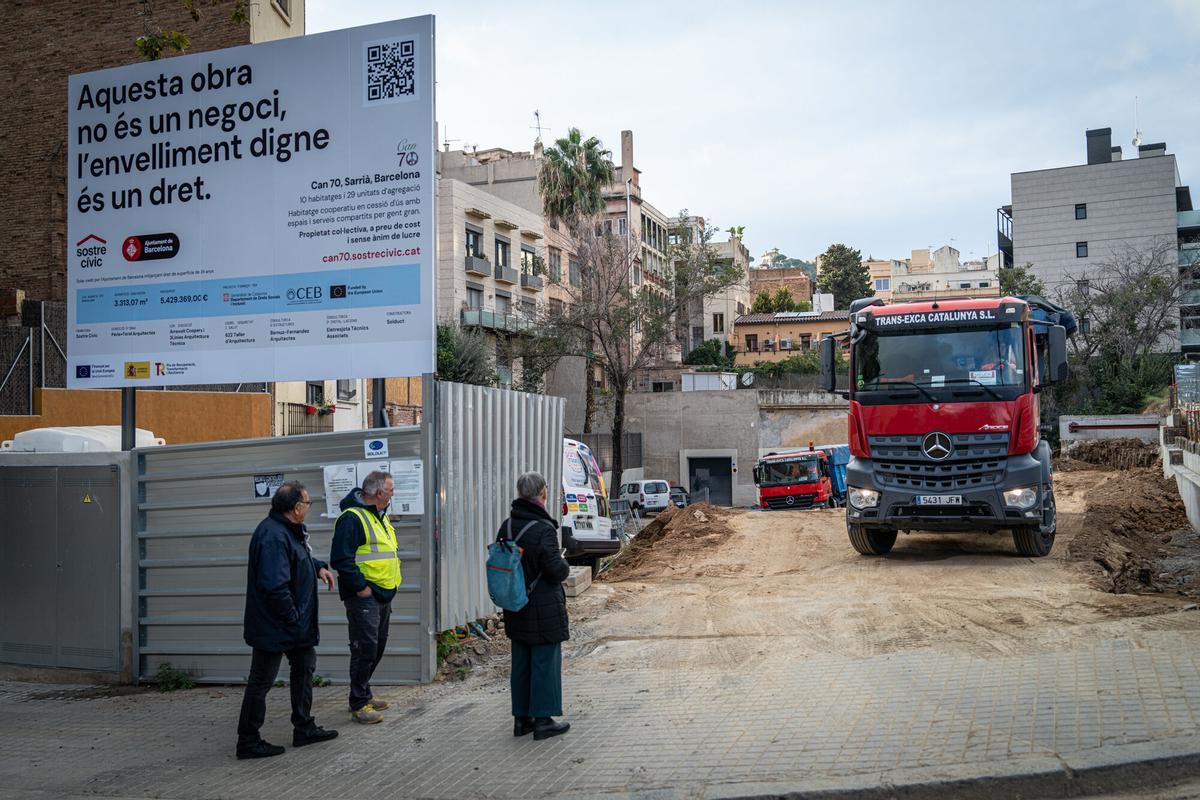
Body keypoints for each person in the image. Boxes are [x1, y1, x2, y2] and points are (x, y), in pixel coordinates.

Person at [236, 481, 338, 760]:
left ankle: (303, 728)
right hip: (277, 625)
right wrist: (293, 618)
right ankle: (248, 740)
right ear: (296, 508)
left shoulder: (288, 531)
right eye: (307, 503)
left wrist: (318, 568)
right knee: (261, 681)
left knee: (305, 666)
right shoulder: (272, 536)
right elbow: (274, 586)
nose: (308, 507)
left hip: (292, 624)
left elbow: (298, 560)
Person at [497, 471, 572, 741]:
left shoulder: (507, 526)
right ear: (543, 492)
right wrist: (564, 564)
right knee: (544, 662)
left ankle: (522, 720)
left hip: (515, 603)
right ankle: (543, 720)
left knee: (522, 662)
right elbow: (554, 570)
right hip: (542, 605)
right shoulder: (542, 529)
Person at [330, 470, 400, 725]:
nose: (393, 494)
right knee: (365, 648)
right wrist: (361, 588)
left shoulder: (380, 516)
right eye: (391, 490)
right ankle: (359, 702)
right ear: (379, 493)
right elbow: (341, 559)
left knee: (377, 646)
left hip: (383, 592)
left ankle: (363, 692)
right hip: (364, 596)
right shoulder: (352, 518)